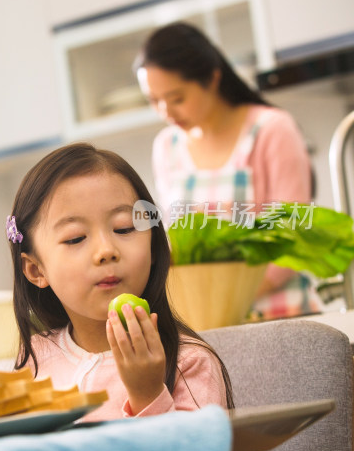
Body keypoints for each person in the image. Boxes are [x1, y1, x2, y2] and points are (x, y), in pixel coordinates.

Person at [7, 142, 233, 422]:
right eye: (76, 238)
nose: (106, 251)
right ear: (35, 270)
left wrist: (148, 394)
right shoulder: (36, 359)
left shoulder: (189, 363)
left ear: (153, 246)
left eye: (124, 228)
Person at [135, 21, 319, 320]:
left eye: (177, 98)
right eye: (154, 101)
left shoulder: (271, 129)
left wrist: (231, 294)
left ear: (212, 78)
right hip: (209, 318)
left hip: (280, 313)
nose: (166, 112)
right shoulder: (166, 146)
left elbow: (293, 232)